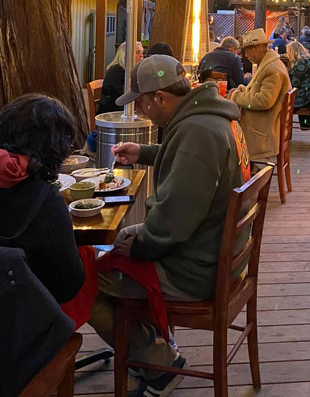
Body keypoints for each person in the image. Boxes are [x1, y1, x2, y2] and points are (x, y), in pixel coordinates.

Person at [89, 55, 249, 395]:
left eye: (143, 103)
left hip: (192, 271)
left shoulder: (197, 132)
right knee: (117, 245)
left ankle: (158, 365)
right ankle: (155, 349)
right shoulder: (210, 117)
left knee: (83, 278)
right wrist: (146, 152)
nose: (142, 111)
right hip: (217, 254)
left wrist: (140, 244)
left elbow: (169, 228)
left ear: (160, 98)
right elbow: (190, 161)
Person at [0, 94, 84, 303]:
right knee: (90, 262)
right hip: (18, 320)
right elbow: (68, 286)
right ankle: (139, 335)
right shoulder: (44, 200)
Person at [229, 29, 291, 160]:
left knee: (223, 138)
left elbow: (264, 101)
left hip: (260, 132)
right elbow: (258, 91)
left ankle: (246, 172)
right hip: (262, 124)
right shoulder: (269, 63)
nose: (245, 55)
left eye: (246, 50)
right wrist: (242, 89)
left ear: (256, 48)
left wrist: (236, 97)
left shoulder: (272, 69)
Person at [97, 41, 143, 115]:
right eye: (137, 53)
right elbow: (124, 97)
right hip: (112, 113)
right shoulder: (116, 71)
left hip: (125, 109)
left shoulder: (132, 70)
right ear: (125, 55)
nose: (141, 55)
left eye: (141, 52)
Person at [286, 40, 310, 112]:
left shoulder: (301, 65)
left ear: (293, 52)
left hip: (303, 98)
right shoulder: (307, 61)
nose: (287, 55)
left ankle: (283, 122)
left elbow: (293, 83)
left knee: (278, 105)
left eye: (288, 52)